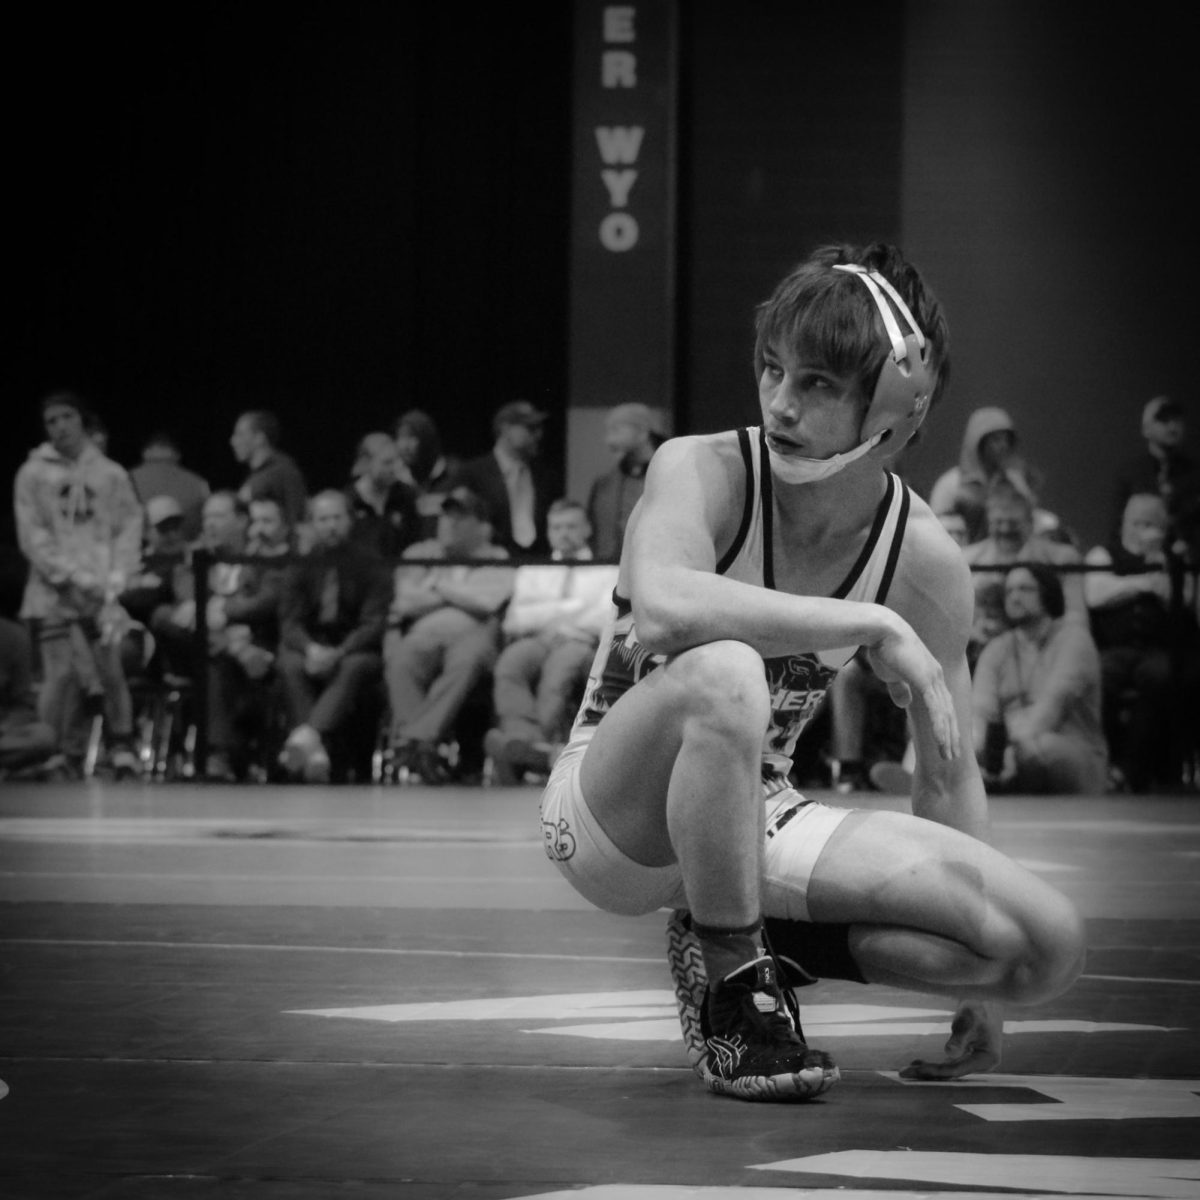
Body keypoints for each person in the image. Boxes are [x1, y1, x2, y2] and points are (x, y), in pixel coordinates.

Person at [539, 243, 1084, 1103]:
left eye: (819, 384)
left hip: (756, 811)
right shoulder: (702, 467)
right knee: (726, 672)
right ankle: (737, 992)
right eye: (771, 371)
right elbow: (666, 609)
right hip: (613, 816)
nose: (780, 403)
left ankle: (758, 943)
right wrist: (869, 620)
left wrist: (981, 998)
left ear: (897, 408)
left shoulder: (924, 559)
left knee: (1035, 947)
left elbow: (949, 765)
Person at [14, 391, 143, 776]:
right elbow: (32, 534)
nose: (60, 427)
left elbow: (129, 527)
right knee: (61, 673)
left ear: (82, 420)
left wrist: (117, 577)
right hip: (53, 590)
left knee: (110, 669)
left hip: (101, 592)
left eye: (66, 416)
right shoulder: (33, 474)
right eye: (51, 421)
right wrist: (69, 576)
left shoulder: (111, 475)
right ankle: (46, 750)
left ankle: (121, 745)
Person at [382, 486, 514, 784]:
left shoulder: (497, 556)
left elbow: (487, 602)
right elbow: (405, 601)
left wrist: (438, 587)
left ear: (483, 527)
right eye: (446, 516)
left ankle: (413, 742)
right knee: (400, 659)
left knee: (466, 662)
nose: (449, 524)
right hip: (422, 633)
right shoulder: (419, 553)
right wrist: (460, 596)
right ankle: (423, 747)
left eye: (460, 518)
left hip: (473, 636)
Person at [485, 498, 618, 784]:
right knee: (510, 663)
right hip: (537, 641)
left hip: (582, 644)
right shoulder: (533, 569)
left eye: (571, 526)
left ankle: (529, 747)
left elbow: (603, 619)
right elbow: (515, 619)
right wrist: (573, 608)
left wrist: (547, 612)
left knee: (558, 672)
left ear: (587, 529)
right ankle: (531, 744)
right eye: (556, 527)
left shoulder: (607, 569)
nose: (564, 533)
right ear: (548, 532)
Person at [1085, 492, 1200, 792]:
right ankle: (1103, 764)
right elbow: (1096, 594)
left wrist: (1162, 568)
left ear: (1164, 529)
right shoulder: (1103, 555)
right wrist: (1145, 583)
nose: (1142, 531)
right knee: (1101, 676)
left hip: (1158, 650)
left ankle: (1133, 769)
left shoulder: (1175, 561)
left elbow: (1186, 600)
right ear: (1124, 523)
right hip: (1115, 649)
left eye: (1151, 524)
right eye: (1136, 523)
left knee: (1160, 677)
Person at [277, 491, 390, 782]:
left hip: (354, 646)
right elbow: (290, 622)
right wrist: (311, 649)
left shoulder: (371, 563)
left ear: (349, 521)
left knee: (355, 665)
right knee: (289, 661)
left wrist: (339, 652)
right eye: (323, 519)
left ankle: (308, 736)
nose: (330, 526)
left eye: (337, 518)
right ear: (312, 524)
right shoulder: (300, 564)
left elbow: (374, 622)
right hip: (312, 643)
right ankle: (316, 753)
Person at [972, 563, 1108, 795]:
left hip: (1069, 749)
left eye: (1025, 589)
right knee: (964, 748)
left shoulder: (1075, 639)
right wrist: (979, 749)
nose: (1014, 597)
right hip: (1008, 752)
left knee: (1039, 749)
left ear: (1048, 593)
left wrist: (1010, 746)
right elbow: (980, 713)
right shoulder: (996, 649)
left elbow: (1051, 709)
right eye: (1009, 591)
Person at [961, 478, 1086, 621]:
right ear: (988, 522)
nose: (1005, 529)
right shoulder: (966, 560)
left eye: (1013, 523)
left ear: (1031, 522)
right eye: (998, 522)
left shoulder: (1062, 559)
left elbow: (1075, 619)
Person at [927, 406, 1052, 544]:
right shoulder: (951, 484)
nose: (1003, 445)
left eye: (1006, 440)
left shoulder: (1014, 480)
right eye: (996, 440)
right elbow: (936, 530)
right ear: (979, 443)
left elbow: (1030, 519)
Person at [449, 400, 559, 557]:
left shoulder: (545, 475)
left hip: (537, 565)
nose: (538, 434)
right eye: (530, 428)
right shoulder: (472, 473)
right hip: (490, 565)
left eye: (539, 428)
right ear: (506, 429)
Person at [1111, 396, 1200, 567]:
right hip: (1140, 568)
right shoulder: (1130, 474)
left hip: (1187, 569)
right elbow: (1116, 529)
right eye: (1164, 420)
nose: (1173, 427)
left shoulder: (1194, 475)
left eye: (1177, 420)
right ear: (1146, 429)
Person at [585, 403, 666, 562]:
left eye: (616, 430)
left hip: (653, 568)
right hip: (607, 570)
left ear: (642, 432)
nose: (608, 440)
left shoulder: (668, 479)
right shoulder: (604, 484)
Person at [344, 432, 422, 561]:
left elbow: (416, 542)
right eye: (387, 463)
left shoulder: (406, 496)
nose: (395, 468)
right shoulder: (349, 500)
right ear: (366, 462)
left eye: (397, 461)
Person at [230, 410, 309, 530]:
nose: (233, 441)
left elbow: (297, 517)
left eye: (240, 434)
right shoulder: (255, 474)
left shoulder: (284, 471)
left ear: (259, 438)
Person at [128, 430, 211, 542]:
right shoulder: (199, 483)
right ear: (177, 454)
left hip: (134, 552)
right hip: (189, 552)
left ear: (146, 452)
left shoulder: (126, 479)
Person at [392, 409, 459, 539]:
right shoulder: (395, 479)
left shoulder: (453, 473)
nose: (405, 446)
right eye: (400, 437)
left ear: (427, 439)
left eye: (412, 437)